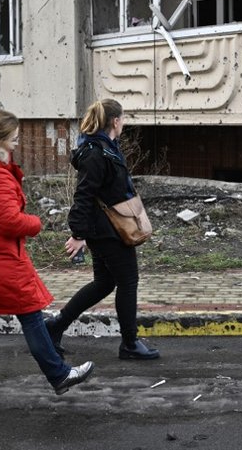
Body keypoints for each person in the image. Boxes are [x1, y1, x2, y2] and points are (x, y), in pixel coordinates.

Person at [0, 108, 94, 408]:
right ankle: (59, 374)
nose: (17, 141)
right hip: (0, 258)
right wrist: (35, 223)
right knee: (31, 314)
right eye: (13, 137)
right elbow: (9, 221)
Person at [46, 99, 160, 360]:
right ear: (115, 121)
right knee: (128, 281)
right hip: (107, 231)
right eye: (123, 119)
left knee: (104, 283)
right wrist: (78, 234)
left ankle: (55, 326)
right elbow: (84, 194)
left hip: (106, 228)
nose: (124, 123)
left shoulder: (105, 147)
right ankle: (130, 344)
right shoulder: (96, 152)